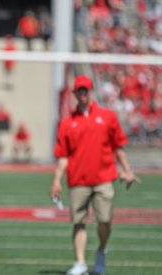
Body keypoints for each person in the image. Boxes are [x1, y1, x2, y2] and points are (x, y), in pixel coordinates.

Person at [50, 75, 141, 275]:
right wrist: (56, 181)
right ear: (74, 93)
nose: (82, 93)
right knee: (79, 222)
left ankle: (101, 249)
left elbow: (118, 146)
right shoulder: (66, 123)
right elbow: (63, 156)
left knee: (104, 220)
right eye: (79, 90)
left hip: (103, 178)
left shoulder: (107, 117)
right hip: (78, 180)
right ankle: (81, 262)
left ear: (90, 91)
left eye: (85, 90)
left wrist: (127, 170)